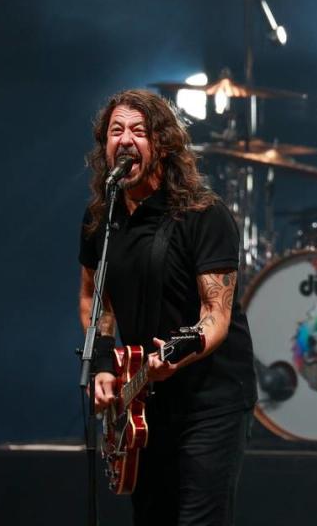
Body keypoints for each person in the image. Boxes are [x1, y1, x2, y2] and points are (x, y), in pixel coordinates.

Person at [78, 89, 256, 526]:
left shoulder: (202, 213)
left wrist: (179, 354)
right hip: (143, 394)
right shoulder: (102, 219)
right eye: (116, 130)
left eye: (139, 131)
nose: (125, 139)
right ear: (105, 146)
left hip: (209, 398)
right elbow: (93, 297)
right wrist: (103, 363)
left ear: (162, 144)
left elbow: (216, 315)